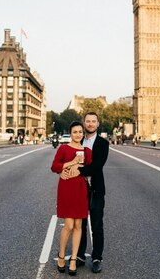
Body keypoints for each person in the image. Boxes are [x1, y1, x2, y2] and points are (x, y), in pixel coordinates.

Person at [63, 112, 109, 274]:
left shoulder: (103, 143)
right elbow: (66, 161)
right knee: (79, 224)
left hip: (95, 188)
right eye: (87, 121)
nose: (90, 124)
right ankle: (80, 255)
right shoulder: (78, 141)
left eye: (93, 121)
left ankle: (96, 257)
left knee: (96, 225)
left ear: (97, 124)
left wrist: (78, 170)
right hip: (79, 190)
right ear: (84, 123)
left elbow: (97, 166)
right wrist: (66, 171)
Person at [52, 121, 92, 276]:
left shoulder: (87, 151)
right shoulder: (63, 148)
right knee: (68, 225)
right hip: (67, 187)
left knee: (78, 225)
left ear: (83, 133)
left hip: (80, 188)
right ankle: (62, 255)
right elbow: (55, 166)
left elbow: (91, 169)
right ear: (70, 133)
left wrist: (81, 170)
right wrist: (71, 163)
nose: (78, 134)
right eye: (75, 132)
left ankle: (73, 259)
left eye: (80, 132)